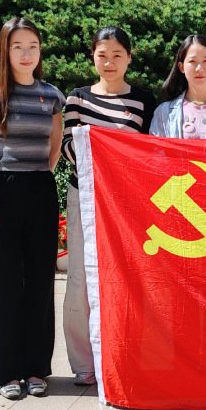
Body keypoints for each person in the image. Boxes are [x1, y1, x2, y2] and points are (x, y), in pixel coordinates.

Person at [0, 17, 65, 400]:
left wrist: (38, 181)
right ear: (5, 51)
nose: (26, 54)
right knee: (5, 284)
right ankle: (6, 372)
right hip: (0, 192)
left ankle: (36, 368)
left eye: (33, 46)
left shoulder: (52, 96)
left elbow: (54, 148)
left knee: (40, 282)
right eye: (18, 47)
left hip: (40, 191)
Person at [60, 27, 157, 386]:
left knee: (129, 276)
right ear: (93, 57)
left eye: (117, 54)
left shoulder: (144, 101)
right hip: (84, 197)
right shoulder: (78, 98)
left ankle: (125, 354)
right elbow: (68, 149)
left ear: (129, 57)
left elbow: (149, 153)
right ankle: (83, 364)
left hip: (128, 201)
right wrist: (107, 154)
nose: (109, 62)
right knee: (79, 278)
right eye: (102, 55)